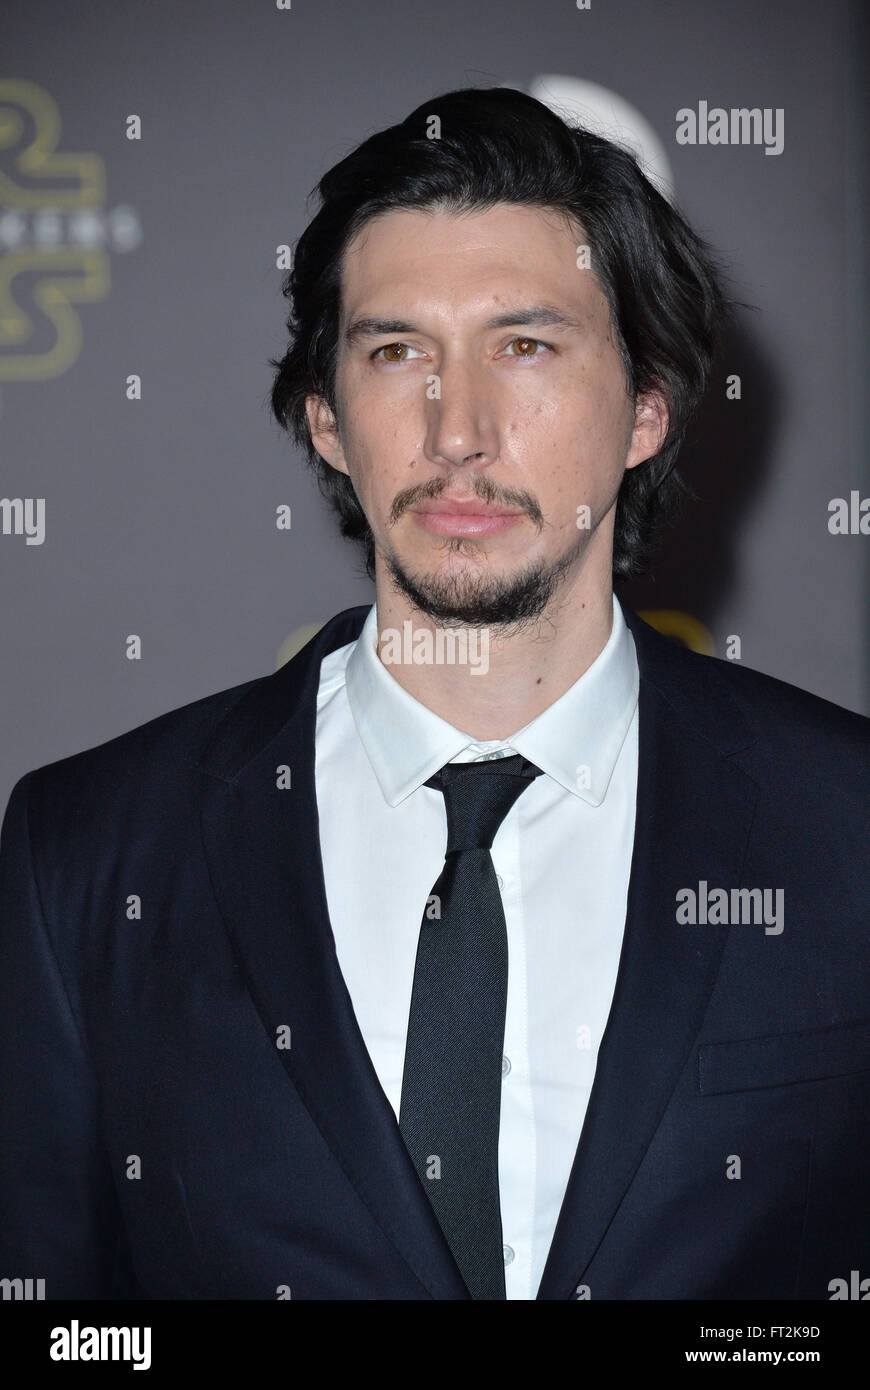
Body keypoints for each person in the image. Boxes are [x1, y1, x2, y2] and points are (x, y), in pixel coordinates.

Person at [1, 87, 867, 1302]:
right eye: (397, 350)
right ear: (328, 421)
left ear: (647, 413)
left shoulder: (847, 825)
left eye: (527, 346)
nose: (456, 429)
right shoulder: (86, 852)